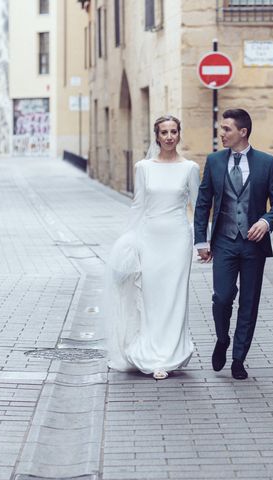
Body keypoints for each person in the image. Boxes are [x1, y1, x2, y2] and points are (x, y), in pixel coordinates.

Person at [194, 108, 273, 380]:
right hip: (223, 242)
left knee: (249, 301)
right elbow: (203, 204)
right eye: (221, 129)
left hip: (252, 245)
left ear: (242, 132)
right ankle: (222, 339)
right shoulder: (213, 162)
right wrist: (201, 240)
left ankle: (238, 358)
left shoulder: (266, 162)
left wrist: (266, 221)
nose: (221, 133)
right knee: (221, 297)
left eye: (226, 129)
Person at [105, 115, 200, 380]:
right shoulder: (143, 167)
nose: (169, 137)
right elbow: (138, 205)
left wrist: (204, 241)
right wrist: (128, 240)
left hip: (178, 240)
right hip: (149, 238)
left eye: (173, 132)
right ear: (156, 136)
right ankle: (150, 351)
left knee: (175, 297)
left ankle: (169, 356)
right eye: (164, 132)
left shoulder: (190, 168)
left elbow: (198, 206)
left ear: (179, 134)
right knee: (151, 298)